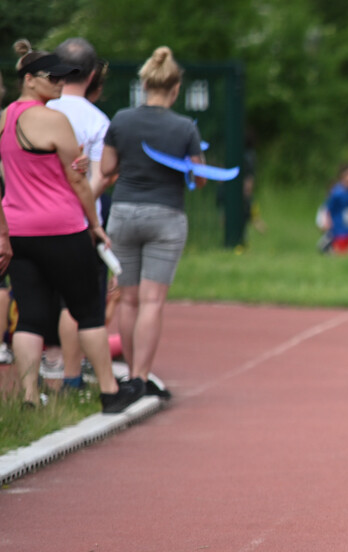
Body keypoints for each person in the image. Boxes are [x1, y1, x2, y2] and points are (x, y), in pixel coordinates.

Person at [1, 40, 142, 412]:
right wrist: (94, 224)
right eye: (53, 78)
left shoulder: (3, 119)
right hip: (62, 227)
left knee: (29, 316)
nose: (60, 84)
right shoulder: (54, 120)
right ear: (30, 80)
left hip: (19, 229)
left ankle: (29, 396)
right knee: (88, 310)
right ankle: (111, 392)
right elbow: (79, 180)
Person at [101, 45, 205, 400]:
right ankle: (143, 377)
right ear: (175, 89)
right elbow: (200, 176)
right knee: (152, 301)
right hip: (166, 214)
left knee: (127, 300)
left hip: (125, 211)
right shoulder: (184, 127)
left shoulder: (121, 120)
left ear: (144, 85)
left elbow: (106, 169)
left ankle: (129, 375)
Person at [47, 38, 110, 392]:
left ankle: (40, 378)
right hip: (80, 222)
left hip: (31, 220)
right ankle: (72, 376)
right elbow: (100, 176)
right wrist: (82, 205)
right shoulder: (98, 120)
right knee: (78, 301)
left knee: (38, 298)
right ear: (90, 76)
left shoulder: (37, 110)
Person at [319, 164, 348, 254]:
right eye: (347, 175)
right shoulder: (336, 193)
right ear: (341, 177)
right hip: (339, 230)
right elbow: (328, 210)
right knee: (342, 255)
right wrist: (328, 223)